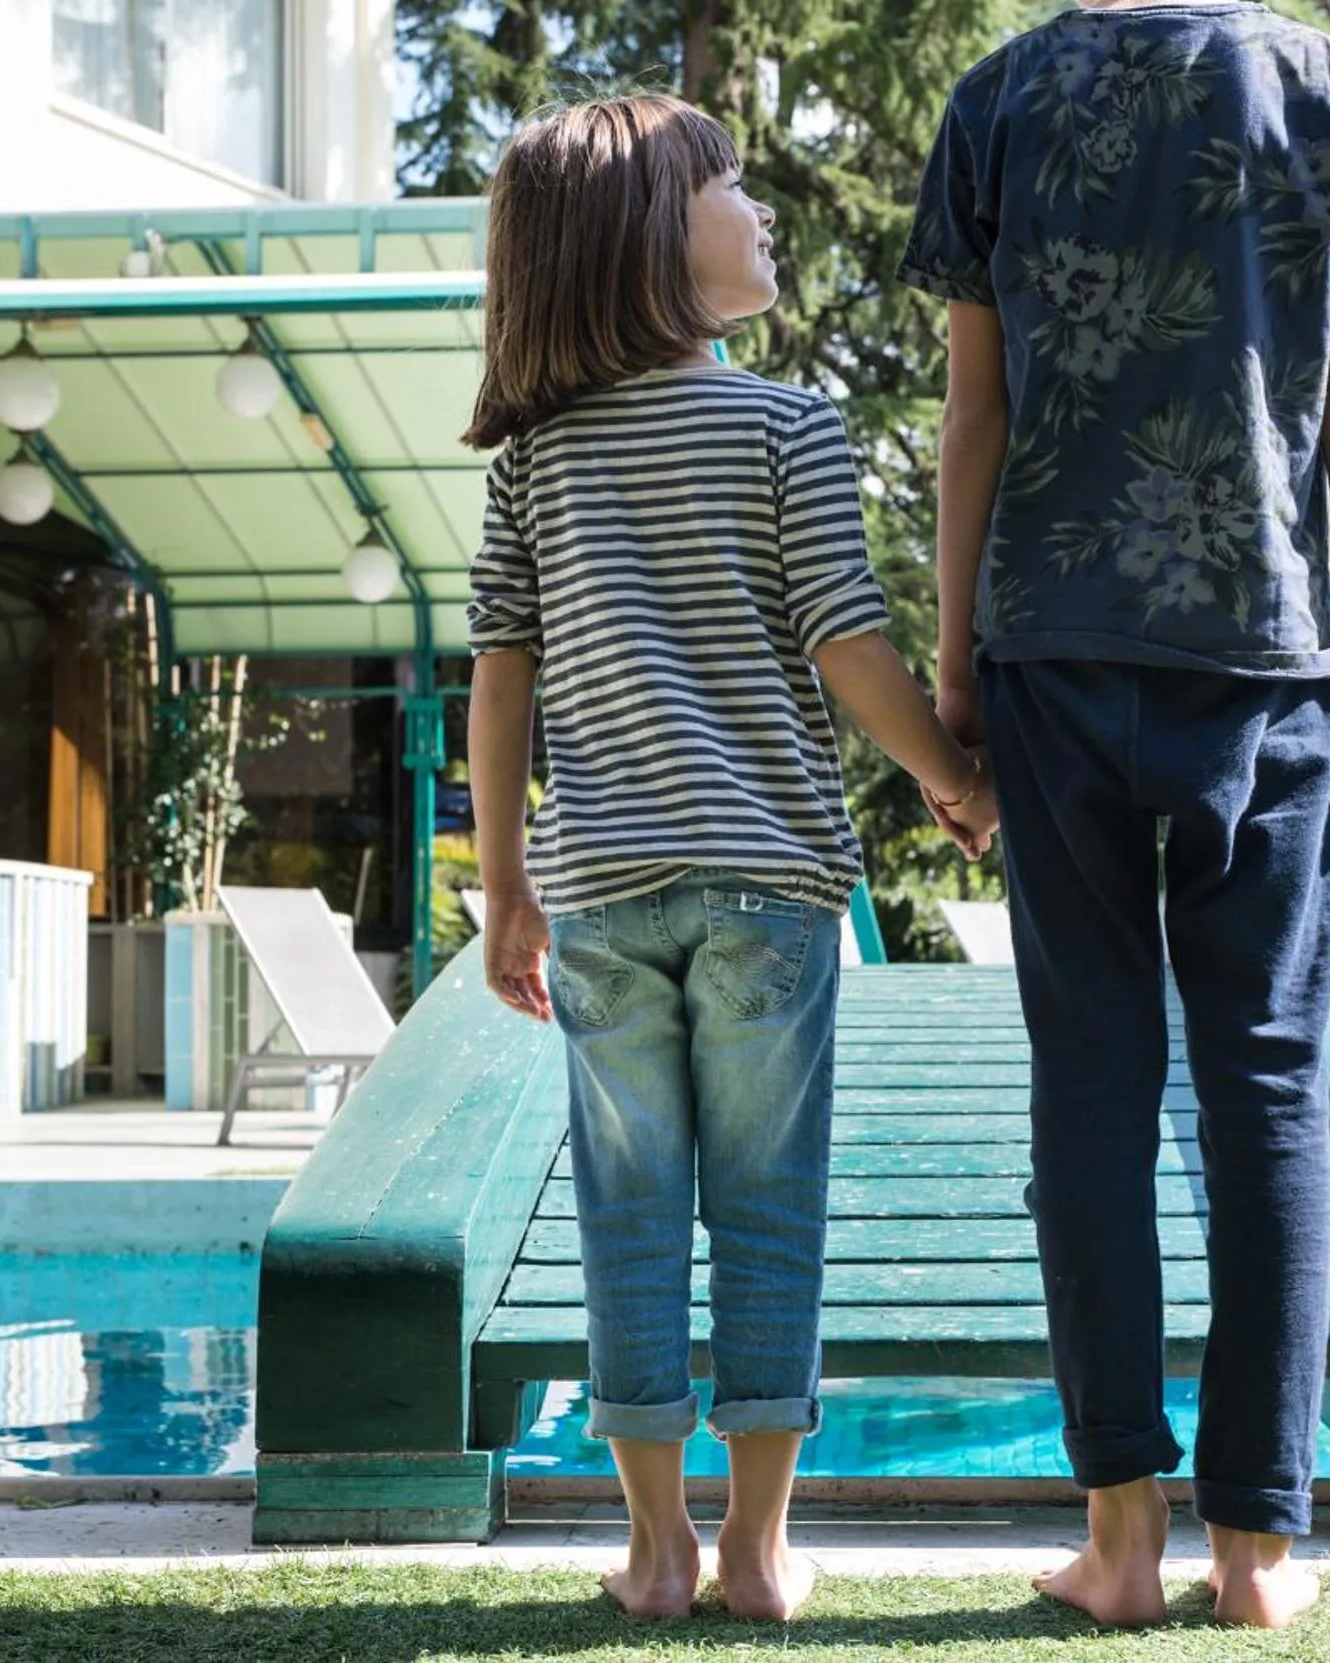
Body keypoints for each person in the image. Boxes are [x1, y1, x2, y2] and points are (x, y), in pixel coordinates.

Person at [900, 0, 1330, 1631]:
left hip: (1050, 647)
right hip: (1263, 659)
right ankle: (1258, 1553)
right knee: (1266, 1080)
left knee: (1092, 1079)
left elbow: (970, 422)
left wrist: (956, 665)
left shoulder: (996, 98)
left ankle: (1120, 1539)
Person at [465, 93, 999, 1623]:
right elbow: (846, 641)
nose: (762, 212)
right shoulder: (784, 424)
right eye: (731, 186)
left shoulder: (533, 457)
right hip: (770, 889)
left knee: (626, 1210)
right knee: (769, 1203)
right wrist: (956, 775)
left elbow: (501, 673)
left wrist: (509, 888)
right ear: (652, 237)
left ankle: (650, 1549)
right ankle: (759, 1551)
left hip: (602, 892)